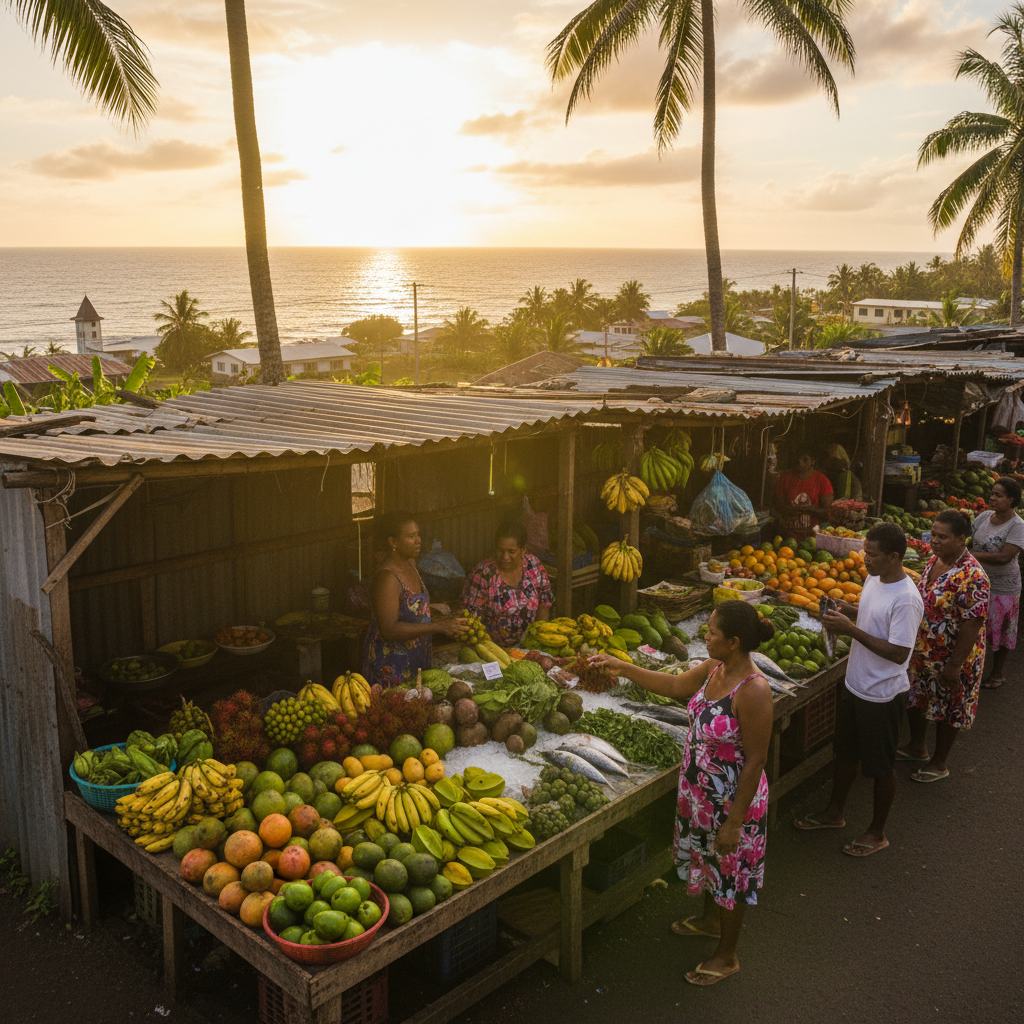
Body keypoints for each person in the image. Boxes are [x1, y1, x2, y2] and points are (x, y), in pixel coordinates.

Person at [589, 601, 773, 987]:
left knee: (732, 873)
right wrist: (623, 667)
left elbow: (756, 760)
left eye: (711, 633)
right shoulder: (713, 669)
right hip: (702, 794)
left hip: (733, 801)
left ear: (734, 642)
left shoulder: (753, 690)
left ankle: (727, 955)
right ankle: (709, 921)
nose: (704, 636)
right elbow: (673, 686)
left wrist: (735, 822)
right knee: (711, 860)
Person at [794, 523, 923, 857]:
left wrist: (850, 630)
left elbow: (899, 653)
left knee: (881, 767)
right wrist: (845, 610)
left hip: (882, 694)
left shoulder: (907, 599)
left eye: (873, 554)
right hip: (855, 684)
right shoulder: (874, 578)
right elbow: (869, 616)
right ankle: (834, 813)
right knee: (846, 753)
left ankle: (877, 832)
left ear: (894, 557)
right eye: (866, 551)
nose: (866, 559)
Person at [899, 510, 989, 783]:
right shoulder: (936, 560)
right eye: (934, 534)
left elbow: (972, 624)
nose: (935, 541)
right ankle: (917, 746)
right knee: (919, 697)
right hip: (925, 651)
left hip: (954, 655)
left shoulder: (973, 575)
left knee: (951, 706)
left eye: (942, 536)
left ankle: (939, 762)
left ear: (962, 539)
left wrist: (954, 665)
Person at [362, 512, 468, 688]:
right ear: (393, 542)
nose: (418, 539)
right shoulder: (387, 577)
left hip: (415, 659)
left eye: (418, 533)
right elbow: (389, 629)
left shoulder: (411, 564)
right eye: (411, 536)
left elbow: (413, 609)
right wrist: (439, 627)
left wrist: (443, 617)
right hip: (391, 666)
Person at [460, 520, 553, 646]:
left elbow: (544, 604)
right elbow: (471, 621)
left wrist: (537, 640)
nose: (505, 557)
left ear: (523, 549)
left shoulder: (533, 566)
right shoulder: (482, 575)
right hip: (493, 649)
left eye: (511, 551)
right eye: (500, 550)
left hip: (530, 644)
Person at [969, 476, 1024, 689]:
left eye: (998, 495)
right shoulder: (983, 517)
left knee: (1001, 630)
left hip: (1004, 585)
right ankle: (975, 669)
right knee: (977, 627)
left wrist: (971, 555)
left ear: (1011, 499)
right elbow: (969, 538)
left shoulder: (1018, 526)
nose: (992, 498)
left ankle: (997, 673)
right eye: (992, 494)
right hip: (979, 582)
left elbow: (1004, 557)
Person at [774, 448, 834, 540]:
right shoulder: (785, 477)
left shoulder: (822, 481)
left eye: (805, 459)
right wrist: (787, 510)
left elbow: (828, 512)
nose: (800, 462)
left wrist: (808, 509)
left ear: (813, 461)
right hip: (786, 535)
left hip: (812, 536)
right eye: (798, 459)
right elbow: (777, 504)